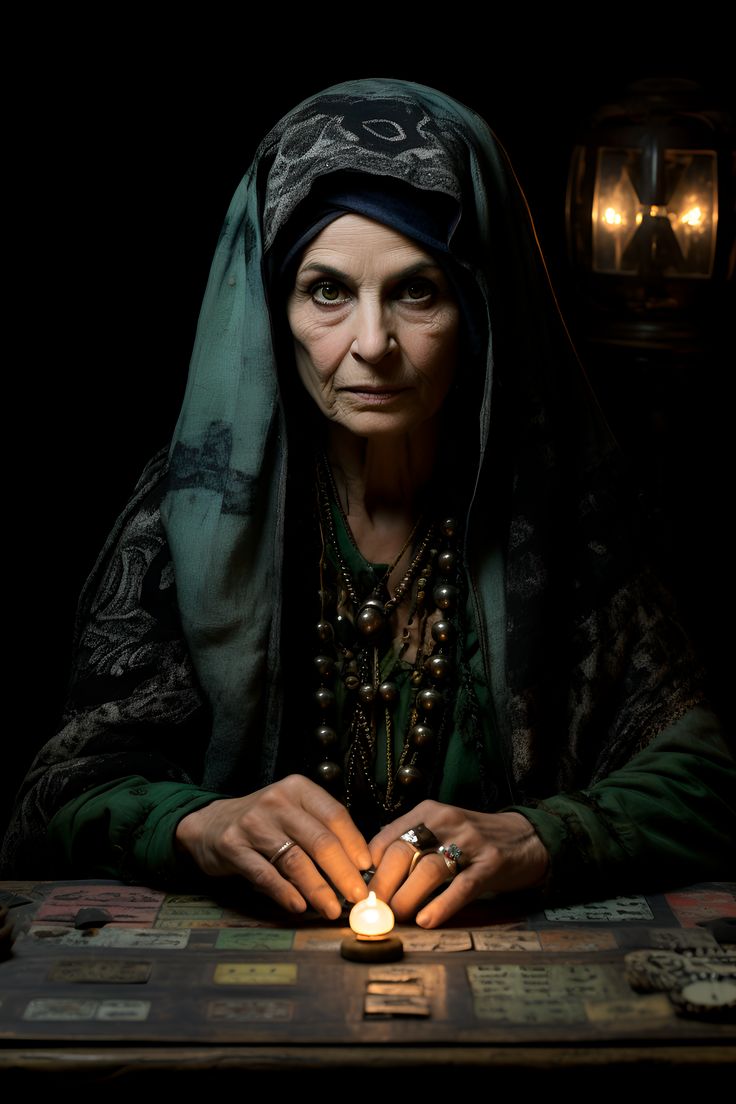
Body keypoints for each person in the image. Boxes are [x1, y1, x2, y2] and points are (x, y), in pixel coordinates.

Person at [3, 79, 733, 927]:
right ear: (274, 308)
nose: (373, 344)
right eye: (327, 292)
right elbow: (59, 794)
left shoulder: (560, 515)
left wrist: (538, 837)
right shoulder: (196, 517)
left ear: (480, 306)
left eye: (419, 292)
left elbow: (709, 780)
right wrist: (202, 823)